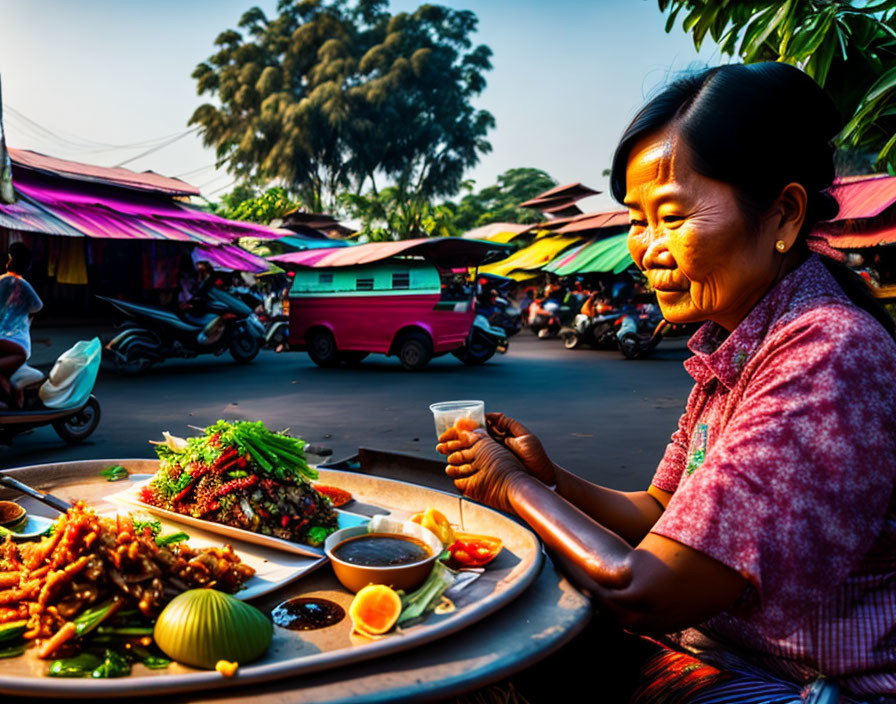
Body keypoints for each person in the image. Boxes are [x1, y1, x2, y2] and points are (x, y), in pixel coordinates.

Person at [438, 62, 896, 703]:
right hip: (723, 659)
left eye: (672, 216)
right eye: (636, 218)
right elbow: (660, 512)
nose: (648, 246)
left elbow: (643, 589)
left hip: (803, 690)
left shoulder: (828, 351)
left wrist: (509, 485)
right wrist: (550, 480)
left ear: (785, 214)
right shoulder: (734, 346)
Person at [0, 242, 43, 409]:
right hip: (16, 342)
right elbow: (37, 306)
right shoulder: (22, 284)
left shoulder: (2, 280)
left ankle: (14, 405)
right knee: (21, 357)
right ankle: (15, 401)